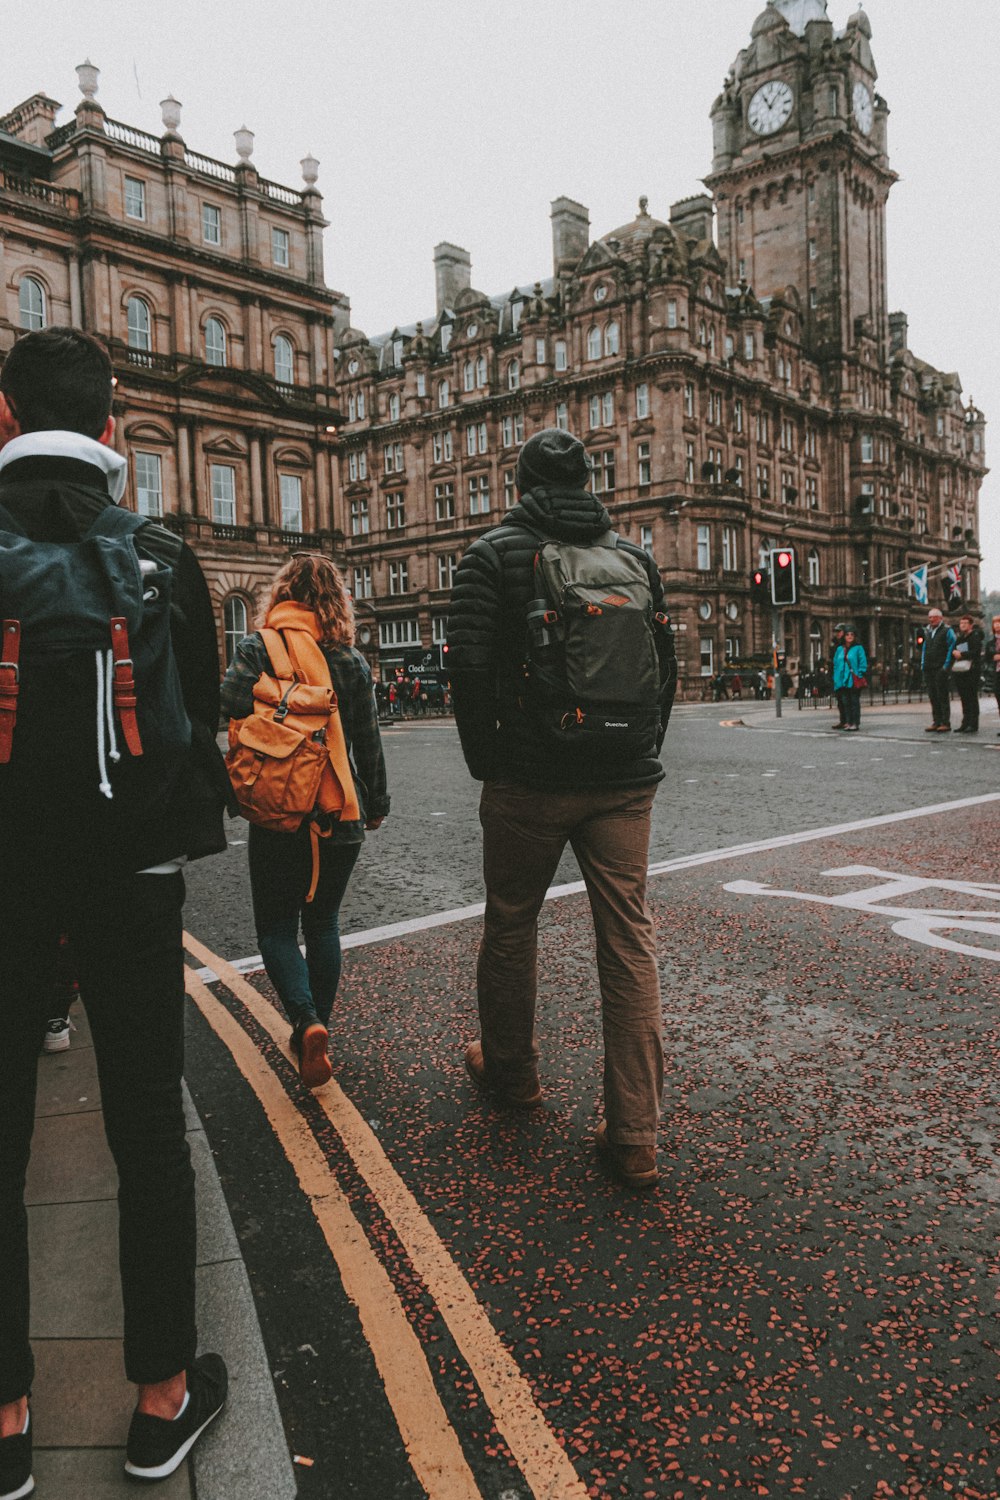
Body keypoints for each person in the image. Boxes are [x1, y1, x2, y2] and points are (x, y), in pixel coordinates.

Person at [0, 327, 231, 1495]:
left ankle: (5, 1423)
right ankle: (160, 1401)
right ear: (108, 431)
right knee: (146, 1122)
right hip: (134, 878)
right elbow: (197, 733)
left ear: (2, 421)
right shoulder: (157, 552)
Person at [447, 428, 676, 1191]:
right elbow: (664, 670)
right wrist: (638, 752)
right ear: (588, 480)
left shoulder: (491, 555)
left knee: (512, 919)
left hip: (531, 778)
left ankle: (513, 1075)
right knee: (629, 940)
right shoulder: (636, 559)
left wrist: (495, 766)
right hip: (623, 777)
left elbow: (470, 675)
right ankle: (636, 1133)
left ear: (521, 484)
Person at [220, 554, 389, 1089]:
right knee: (323, 924)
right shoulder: (351, 661)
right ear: (335, 603)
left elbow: (225, 703)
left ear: (282, 595)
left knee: (275, 926)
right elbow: (367, 742)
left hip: (278, 808)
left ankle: (305, 1019)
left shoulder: (256, 647)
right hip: (340, 810)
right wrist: (377, 802)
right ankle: (318, 1028)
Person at [922, 607, 956, 732]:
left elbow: (952, 646)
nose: (931, 620)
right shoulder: (927, 631)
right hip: (929, 667)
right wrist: (923, 663)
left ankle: (945, 722)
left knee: (942, 695)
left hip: (940, 667)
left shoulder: (947, 630)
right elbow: (925, 648)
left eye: (934, 617)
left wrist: (946, 666)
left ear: (940, 618)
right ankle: (936, 721)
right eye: (930, 617)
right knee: (933, 695)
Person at [951, 613, 983, 734]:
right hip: (961, 671)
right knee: (964, 698)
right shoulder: (960, 637)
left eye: (965, 623)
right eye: (961, 623)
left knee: (971, 698)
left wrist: (962, 654)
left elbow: (975, 652)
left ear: (971, 625)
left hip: (972, 671)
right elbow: (955, 648)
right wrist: (955, 652)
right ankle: (965, 722)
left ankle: (973, 724)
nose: (962, 625)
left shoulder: (975, 636)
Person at [841, 630, 868, 731]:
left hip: (854, 678)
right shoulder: (842, 648)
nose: (849, 636)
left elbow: (863, 662)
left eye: (852, 634)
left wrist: (859, 673)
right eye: (847, 634)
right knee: (846, 702)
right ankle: (849, 722)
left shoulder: (858, 648)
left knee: (854, 702)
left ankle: (855, 723)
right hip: (844, 679)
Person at [830, 624, 849, 728]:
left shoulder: (847, 645)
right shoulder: (835, 645)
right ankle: (843, 720)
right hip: (837, 676)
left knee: (846, 700)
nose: (837, 633)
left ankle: (848, 721)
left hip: (845, 676)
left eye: (839, 631)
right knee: (840, 701)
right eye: (836, 631)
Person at [986, 614, 1000, 737]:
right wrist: (992, 657)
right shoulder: (991, 642)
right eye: (995, 623)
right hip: (996, 673)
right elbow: (987, 658)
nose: (997, 625)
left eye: (999, 623)